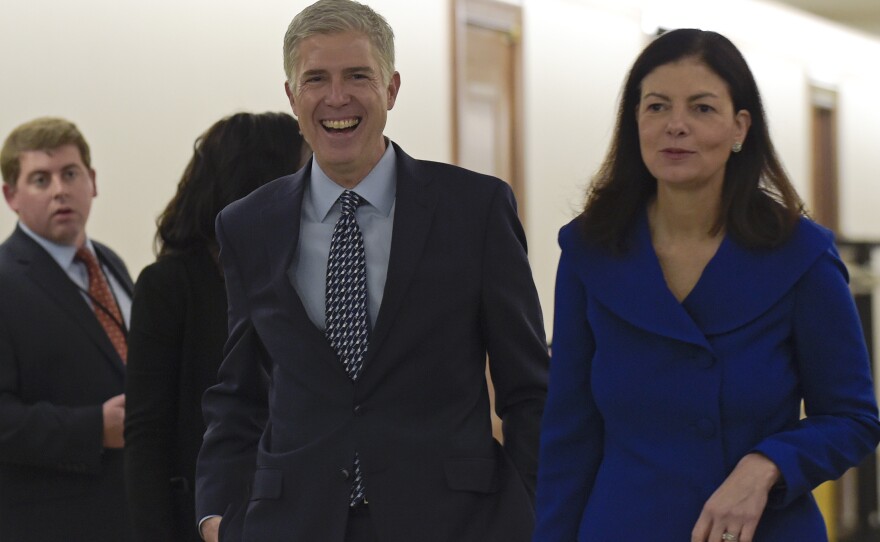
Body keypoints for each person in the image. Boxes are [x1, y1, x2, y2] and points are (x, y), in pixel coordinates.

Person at [195, 1, 549, 541]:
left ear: (391, 89)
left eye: (358, 76)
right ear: (292, 96)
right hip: (294, 524)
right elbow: (237, 391)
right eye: (316, 79)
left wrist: (531, 508)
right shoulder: (248, 226)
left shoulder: (474, 210)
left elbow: (527, 386)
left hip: (454, 523)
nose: (337, 97)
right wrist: (217, 516)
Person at [532, 28, 880, 542]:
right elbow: (568, 434)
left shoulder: (799, 254)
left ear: (740, 126)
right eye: (656, 107)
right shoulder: (591, 250)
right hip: (625, 527)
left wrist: (766, 466)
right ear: (635, 123)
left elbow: (853, 418)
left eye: (701, 108)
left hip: (762, 529)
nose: (676, 126)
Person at [124, 112, 309, 542]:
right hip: (208, 517)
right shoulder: (169, 284)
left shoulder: (300, 271)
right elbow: (147, 438)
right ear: (263, 180)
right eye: (302, 170)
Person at [0, 117, 132, 541]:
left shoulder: (110, 262)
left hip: (130, 512)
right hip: (50, 522)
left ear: (91, 181)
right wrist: (93, 428)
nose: (60, 190)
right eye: (40, 179)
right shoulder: (4, 279)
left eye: (70, 174)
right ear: (11, 196)